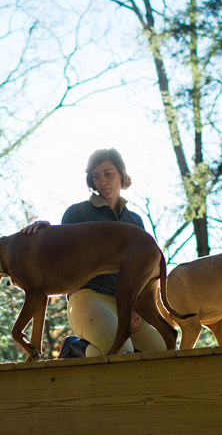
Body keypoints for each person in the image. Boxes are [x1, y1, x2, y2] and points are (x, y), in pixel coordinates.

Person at [23, 148, 168, 358]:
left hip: (125, 305)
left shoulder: (135, 221)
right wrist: (45, 232)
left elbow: (142, 273)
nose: (102, 181)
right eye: (96, 176)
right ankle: (75, 348)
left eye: (108, 173)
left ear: (121, 174)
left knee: (161, 351)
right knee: (122, 351)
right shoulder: (78, 213)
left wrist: (139, 311)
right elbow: (59, 254)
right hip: (87, 298)